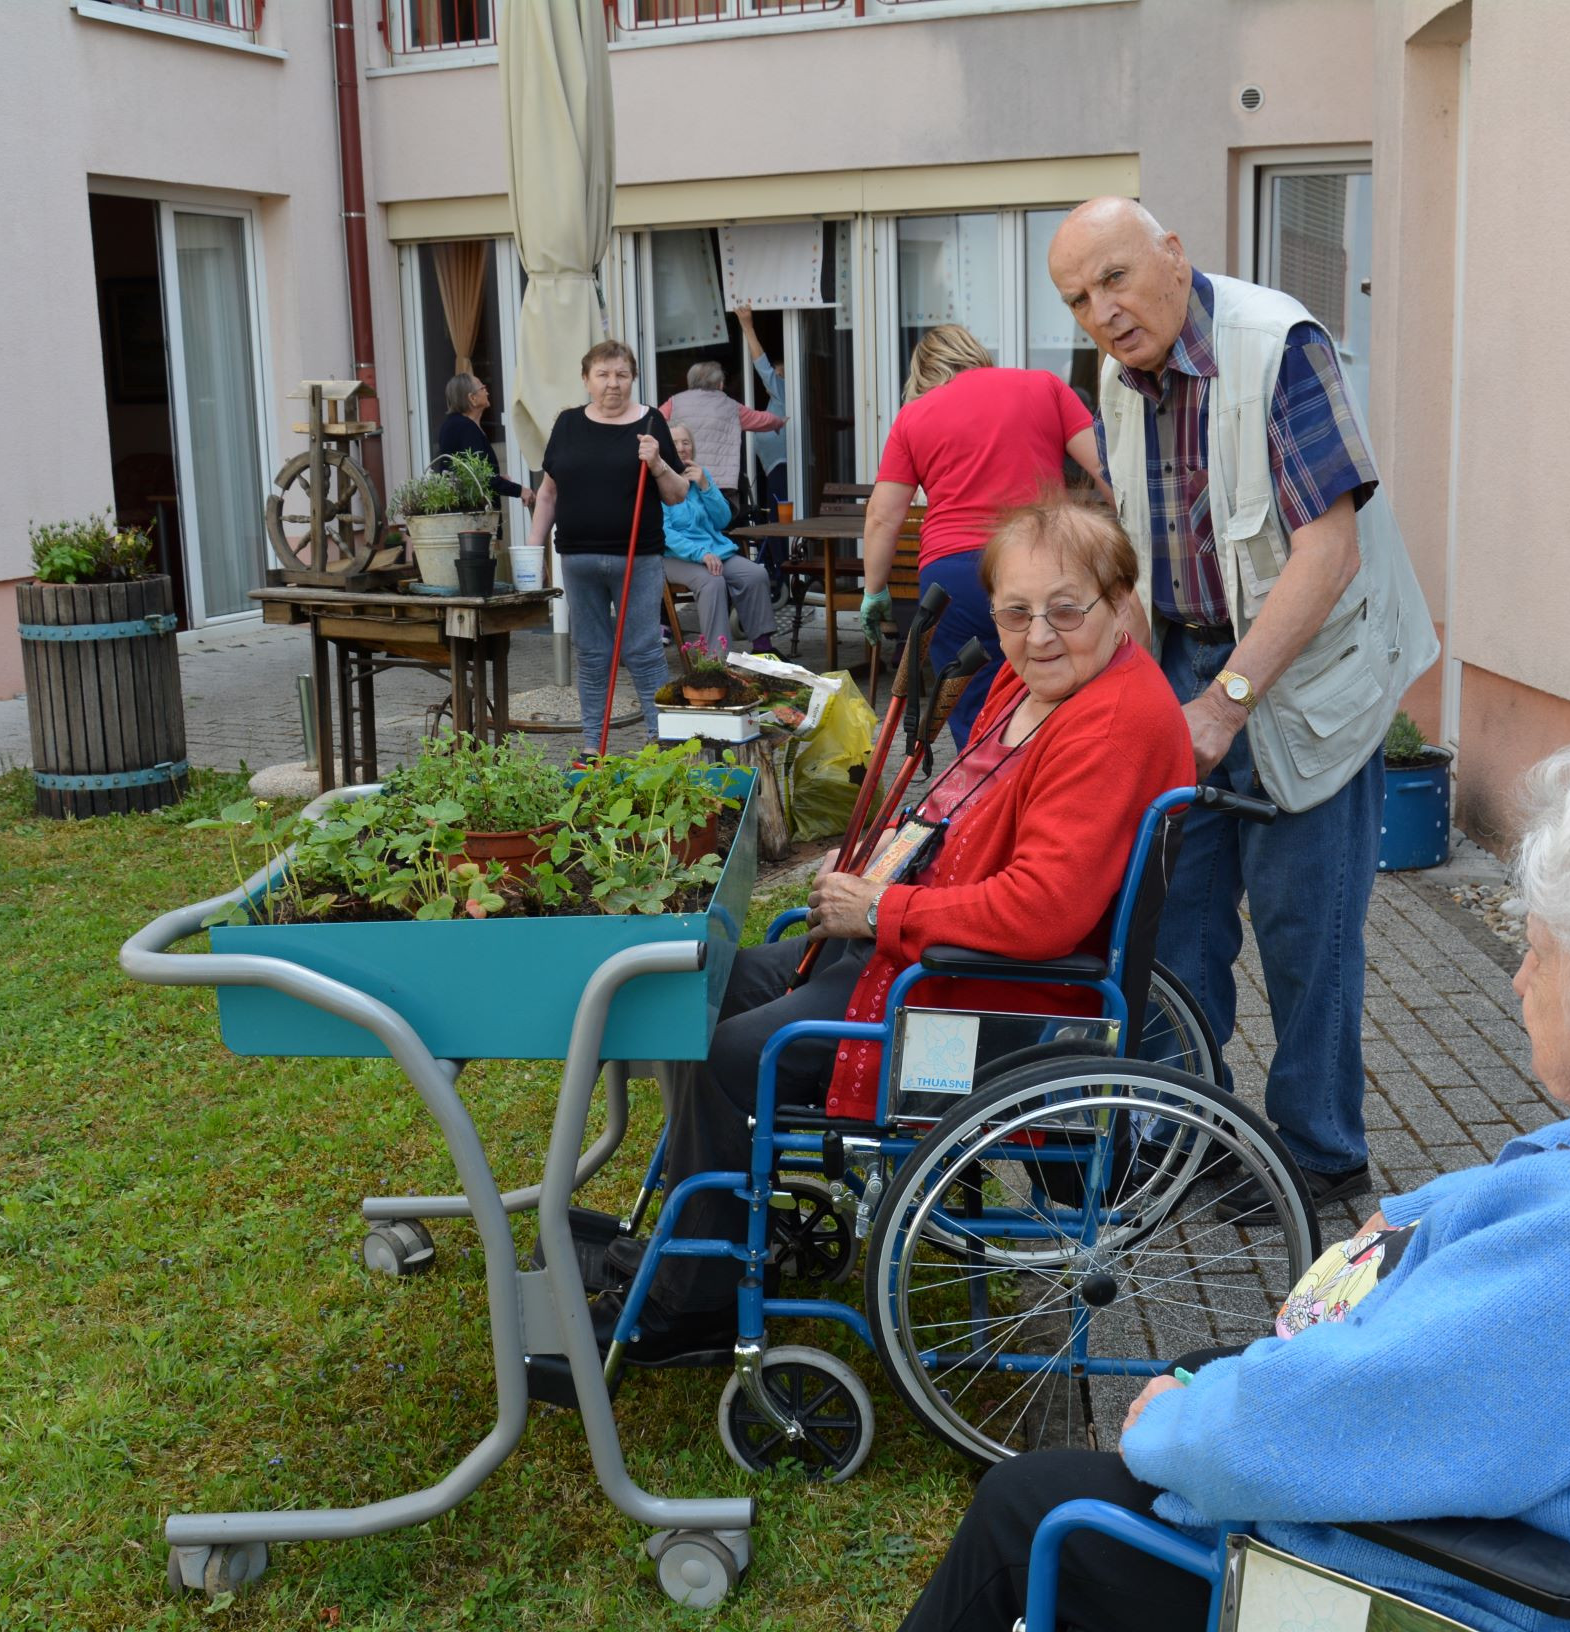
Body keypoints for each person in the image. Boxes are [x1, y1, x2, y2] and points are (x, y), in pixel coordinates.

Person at [895, 722, 1570, 1632]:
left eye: (1539, 952)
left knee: (1031, 1509)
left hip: (1471, 1587)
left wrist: (1172, 1424)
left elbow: (1356, 1413)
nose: (1518, 977)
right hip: (1566, 1476)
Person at [614, 498, 1190, 1356]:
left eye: (1065, 609)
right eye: (1014, 611)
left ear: (1119, 605)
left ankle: (695, 1297)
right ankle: (714, 1238)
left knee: (736, 1056)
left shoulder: (1109, 722)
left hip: (980, 1004)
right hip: (928, 957)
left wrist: (884, 907)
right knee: (708, 984)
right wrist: (896, 852)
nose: (1036, 635)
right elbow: (971, 813)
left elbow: (1041, 908)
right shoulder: (1034, 683)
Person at [1047, 196, 1439, 1215]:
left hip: (1306, 683)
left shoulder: (1280, 346)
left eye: (1114, 280)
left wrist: (1221, 704)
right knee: (1175, 931)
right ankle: (1191, 1136)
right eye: (1077, 298)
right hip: (1189, 672)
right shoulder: (1116, 377)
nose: (1101, 311)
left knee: (1307, 936)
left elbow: (1328, 552)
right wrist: (1116, 689)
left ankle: (1320, 1153)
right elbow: (1136, 556)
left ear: (1171, 257)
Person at [862, 326, 1106, 748]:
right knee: (1057, 689)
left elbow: (884, 517)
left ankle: (982, 801)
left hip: (951, 582)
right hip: (1038, 564)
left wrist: (874, 589)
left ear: (925, 374)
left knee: (972, 709)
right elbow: (1108, 470)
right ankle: (1051, 789)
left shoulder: (914, 416)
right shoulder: (1044, 387)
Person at [527, 341, 688, 750]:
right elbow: (547, 494)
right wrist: (532, 553)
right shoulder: (566, 425)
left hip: (637, 558)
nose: (612, 383)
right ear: (586, 380)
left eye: (621, 374)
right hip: (577, 559)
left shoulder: (651, 423)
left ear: (632, 378)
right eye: (603, 374)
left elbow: (677, 494)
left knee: (644, 651)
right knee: (593, 655)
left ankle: (662, 745)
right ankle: (591, 747)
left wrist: (658, 464)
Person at [659, 422, 776, 655]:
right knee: (712, 582)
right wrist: (700, 554)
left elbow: (722, 520)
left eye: (686, 442)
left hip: (713, 550)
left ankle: (763, 648)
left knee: (755, 574)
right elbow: (665, 533)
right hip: (672, 556)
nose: (682, 448)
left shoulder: (701, 476)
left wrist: (705, 485)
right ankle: (717, 659)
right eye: (674, 444)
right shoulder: (658, 480)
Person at [661, 357, 784, 526]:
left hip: (684, 483)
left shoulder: (674, 403)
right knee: (724, 523)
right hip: (721, 488)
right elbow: (762, 419)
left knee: (690, 524)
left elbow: (654, 422)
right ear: (719, 384)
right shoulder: (730, 406)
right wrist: (779, 421)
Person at [432, 373, 528, 501]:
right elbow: (482, 477)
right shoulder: (464, 427)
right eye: (482, 388)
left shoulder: (456, 425)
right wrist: (520, 490)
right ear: (472, 398)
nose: (487, 392)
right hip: (472, 515)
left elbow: (474, 475)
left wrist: (498, 480)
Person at [735, 304, 792, 515]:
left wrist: (747, 327)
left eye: (780, 374)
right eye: (776, 373)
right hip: (776, 469)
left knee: (779, 525)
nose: (775, 378)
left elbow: (762, 366)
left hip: (784, 468)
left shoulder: (786, 391)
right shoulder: (777, 400)